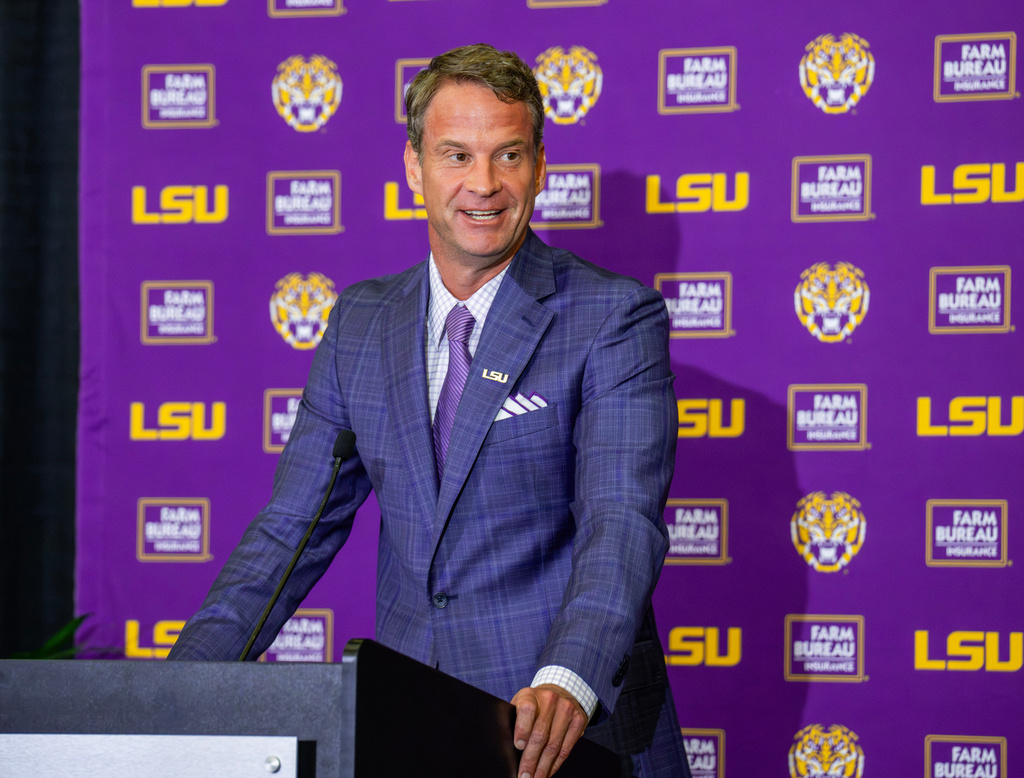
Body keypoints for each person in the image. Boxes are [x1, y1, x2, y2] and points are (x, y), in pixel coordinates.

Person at [169, 43, 690, 778]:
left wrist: (569, 676)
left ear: (540, 165)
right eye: (456, 155)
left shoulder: (613, 317)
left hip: (568, 736)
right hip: (413, 724)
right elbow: (292, 529)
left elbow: (621, 520)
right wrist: (172, 695)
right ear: (414, 167)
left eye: (508, 155)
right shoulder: (360, 322)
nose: (484, 184)